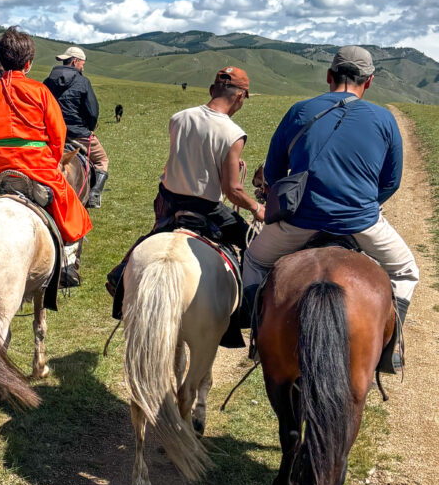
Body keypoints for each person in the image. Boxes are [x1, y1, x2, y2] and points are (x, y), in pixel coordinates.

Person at [242, 46, 419, 373]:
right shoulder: (384, 119)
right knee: (406, 270)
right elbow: (391, 182)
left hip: (300, 221)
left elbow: (272, 174)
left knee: (253, 260)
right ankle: (391, 351)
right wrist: (363, 202)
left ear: (328, 76)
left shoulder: (299, 111)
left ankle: (257, 337)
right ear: (370, 81)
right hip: (361, 222)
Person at [106, 65, 264, 309]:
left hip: (168, 200)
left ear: (213, 89)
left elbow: (192, 153)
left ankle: (120, 276)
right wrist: (256, 208)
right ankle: (245, 305)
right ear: (240, 96)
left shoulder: (178, 118)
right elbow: (233, 190)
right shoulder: (233, 133)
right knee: (252, 245)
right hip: (206, 208)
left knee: (154, 235)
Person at [0, 27, 92, 280]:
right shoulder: (41, 92)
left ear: (0, 61)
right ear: (28, 63)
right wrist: (54, 159)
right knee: (71, 206)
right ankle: (68, 266)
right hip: (37, 169)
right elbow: (58, 137)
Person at [44, 46, 109, 208]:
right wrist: (89, 128)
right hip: (78, 134)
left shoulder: (47, 81)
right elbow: (92, 112)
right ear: (75, 61)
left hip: (51, 134)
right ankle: (93, 196)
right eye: (82, 64)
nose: (83, 67)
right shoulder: (82, 81)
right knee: (102, 160)